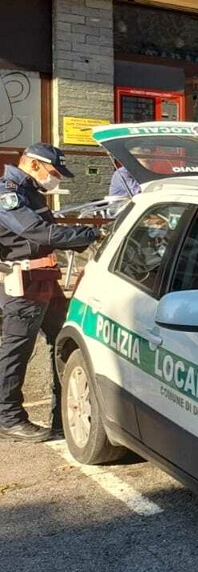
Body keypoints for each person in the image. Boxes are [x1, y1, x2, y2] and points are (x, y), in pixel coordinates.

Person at [0, 143, 101, 443]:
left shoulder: (31, 192)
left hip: (46, 280)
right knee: (16, 352)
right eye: (53, 171)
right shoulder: (9, 195)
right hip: (24, 284)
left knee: (64, 342)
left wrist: (84, 237)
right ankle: (8, 418)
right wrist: (91, 233)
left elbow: (50, 234)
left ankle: (61, 418)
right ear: (33, 165)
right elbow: (40, 233)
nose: (55, 178)